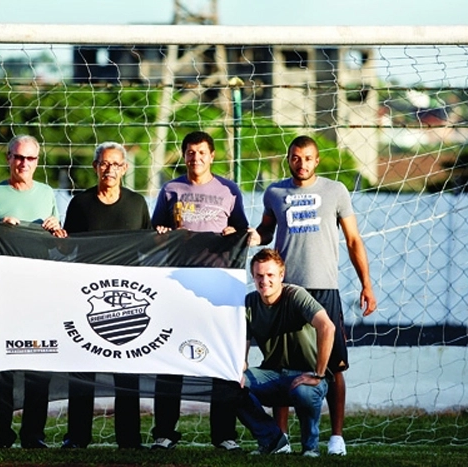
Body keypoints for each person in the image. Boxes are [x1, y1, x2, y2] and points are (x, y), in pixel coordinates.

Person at [250, 135, 377, 455]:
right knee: (280, 361)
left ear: (317, 161)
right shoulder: (275, 192)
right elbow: (265, 230)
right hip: (285, 289)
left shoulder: (335, 191)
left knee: (334, 365)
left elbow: (353, 240)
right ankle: (280, 438)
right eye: (295, 157)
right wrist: (251, 235)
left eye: (307, 158)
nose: (301, 163)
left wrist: (367, 283)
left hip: (324, 288)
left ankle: (336, 437)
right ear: (288, 159)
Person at [150, 130, 248, 451]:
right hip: (177, 285)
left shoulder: (229, 190)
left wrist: (235, 230)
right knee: (170, 357)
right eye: (191, 152)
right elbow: (154, 232)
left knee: (220, 357)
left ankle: (224, 434)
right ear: (184, 155)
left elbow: (243, 230)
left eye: (202, 152)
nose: (196, 157)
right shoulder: (170, 190)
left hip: (217, 289)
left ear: (212, 155)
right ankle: (164, 432)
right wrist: (161, 232)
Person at [60, 142, 152, 449]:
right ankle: (77, 436)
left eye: (116, 164)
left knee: (126, 369)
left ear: (125, 168)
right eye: (104, 164)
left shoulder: (137, 203)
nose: (110, 169)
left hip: (127, 300)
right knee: (82, 368)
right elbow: (66, 248)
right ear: (95, 167)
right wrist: (54, 235)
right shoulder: (80, 204)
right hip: (89, 299)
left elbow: (148, 247)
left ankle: (129, 438)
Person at [0, 134, 63, 449]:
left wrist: (57, 230)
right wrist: (0, 228)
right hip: (4, 295)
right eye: (18, 157)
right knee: (2, 365)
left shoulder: (47, 194)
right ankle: (2, 433)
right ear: (8, 158)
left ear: (37, 162)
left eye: (30, 158)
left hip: (40, 294)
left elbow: (57, 246)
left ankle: (33, 434)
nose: (23, 163)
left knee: (38, 363)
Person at [237, 248, 334, 457]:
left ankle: (311, 448)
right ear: (253, 277)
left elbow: (327, 327)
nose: (265, 280)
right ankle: (274, 441)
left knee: (304, 392)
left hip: (305, 374)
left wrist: (318, 373)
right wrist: (238, 370)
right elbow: (242, 348)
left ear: (281, 275)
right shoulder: (250, 302)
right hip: (272, 374)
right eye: (259, 276)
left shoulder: (296, 295)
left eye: (270, 275)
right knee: (231, 385)